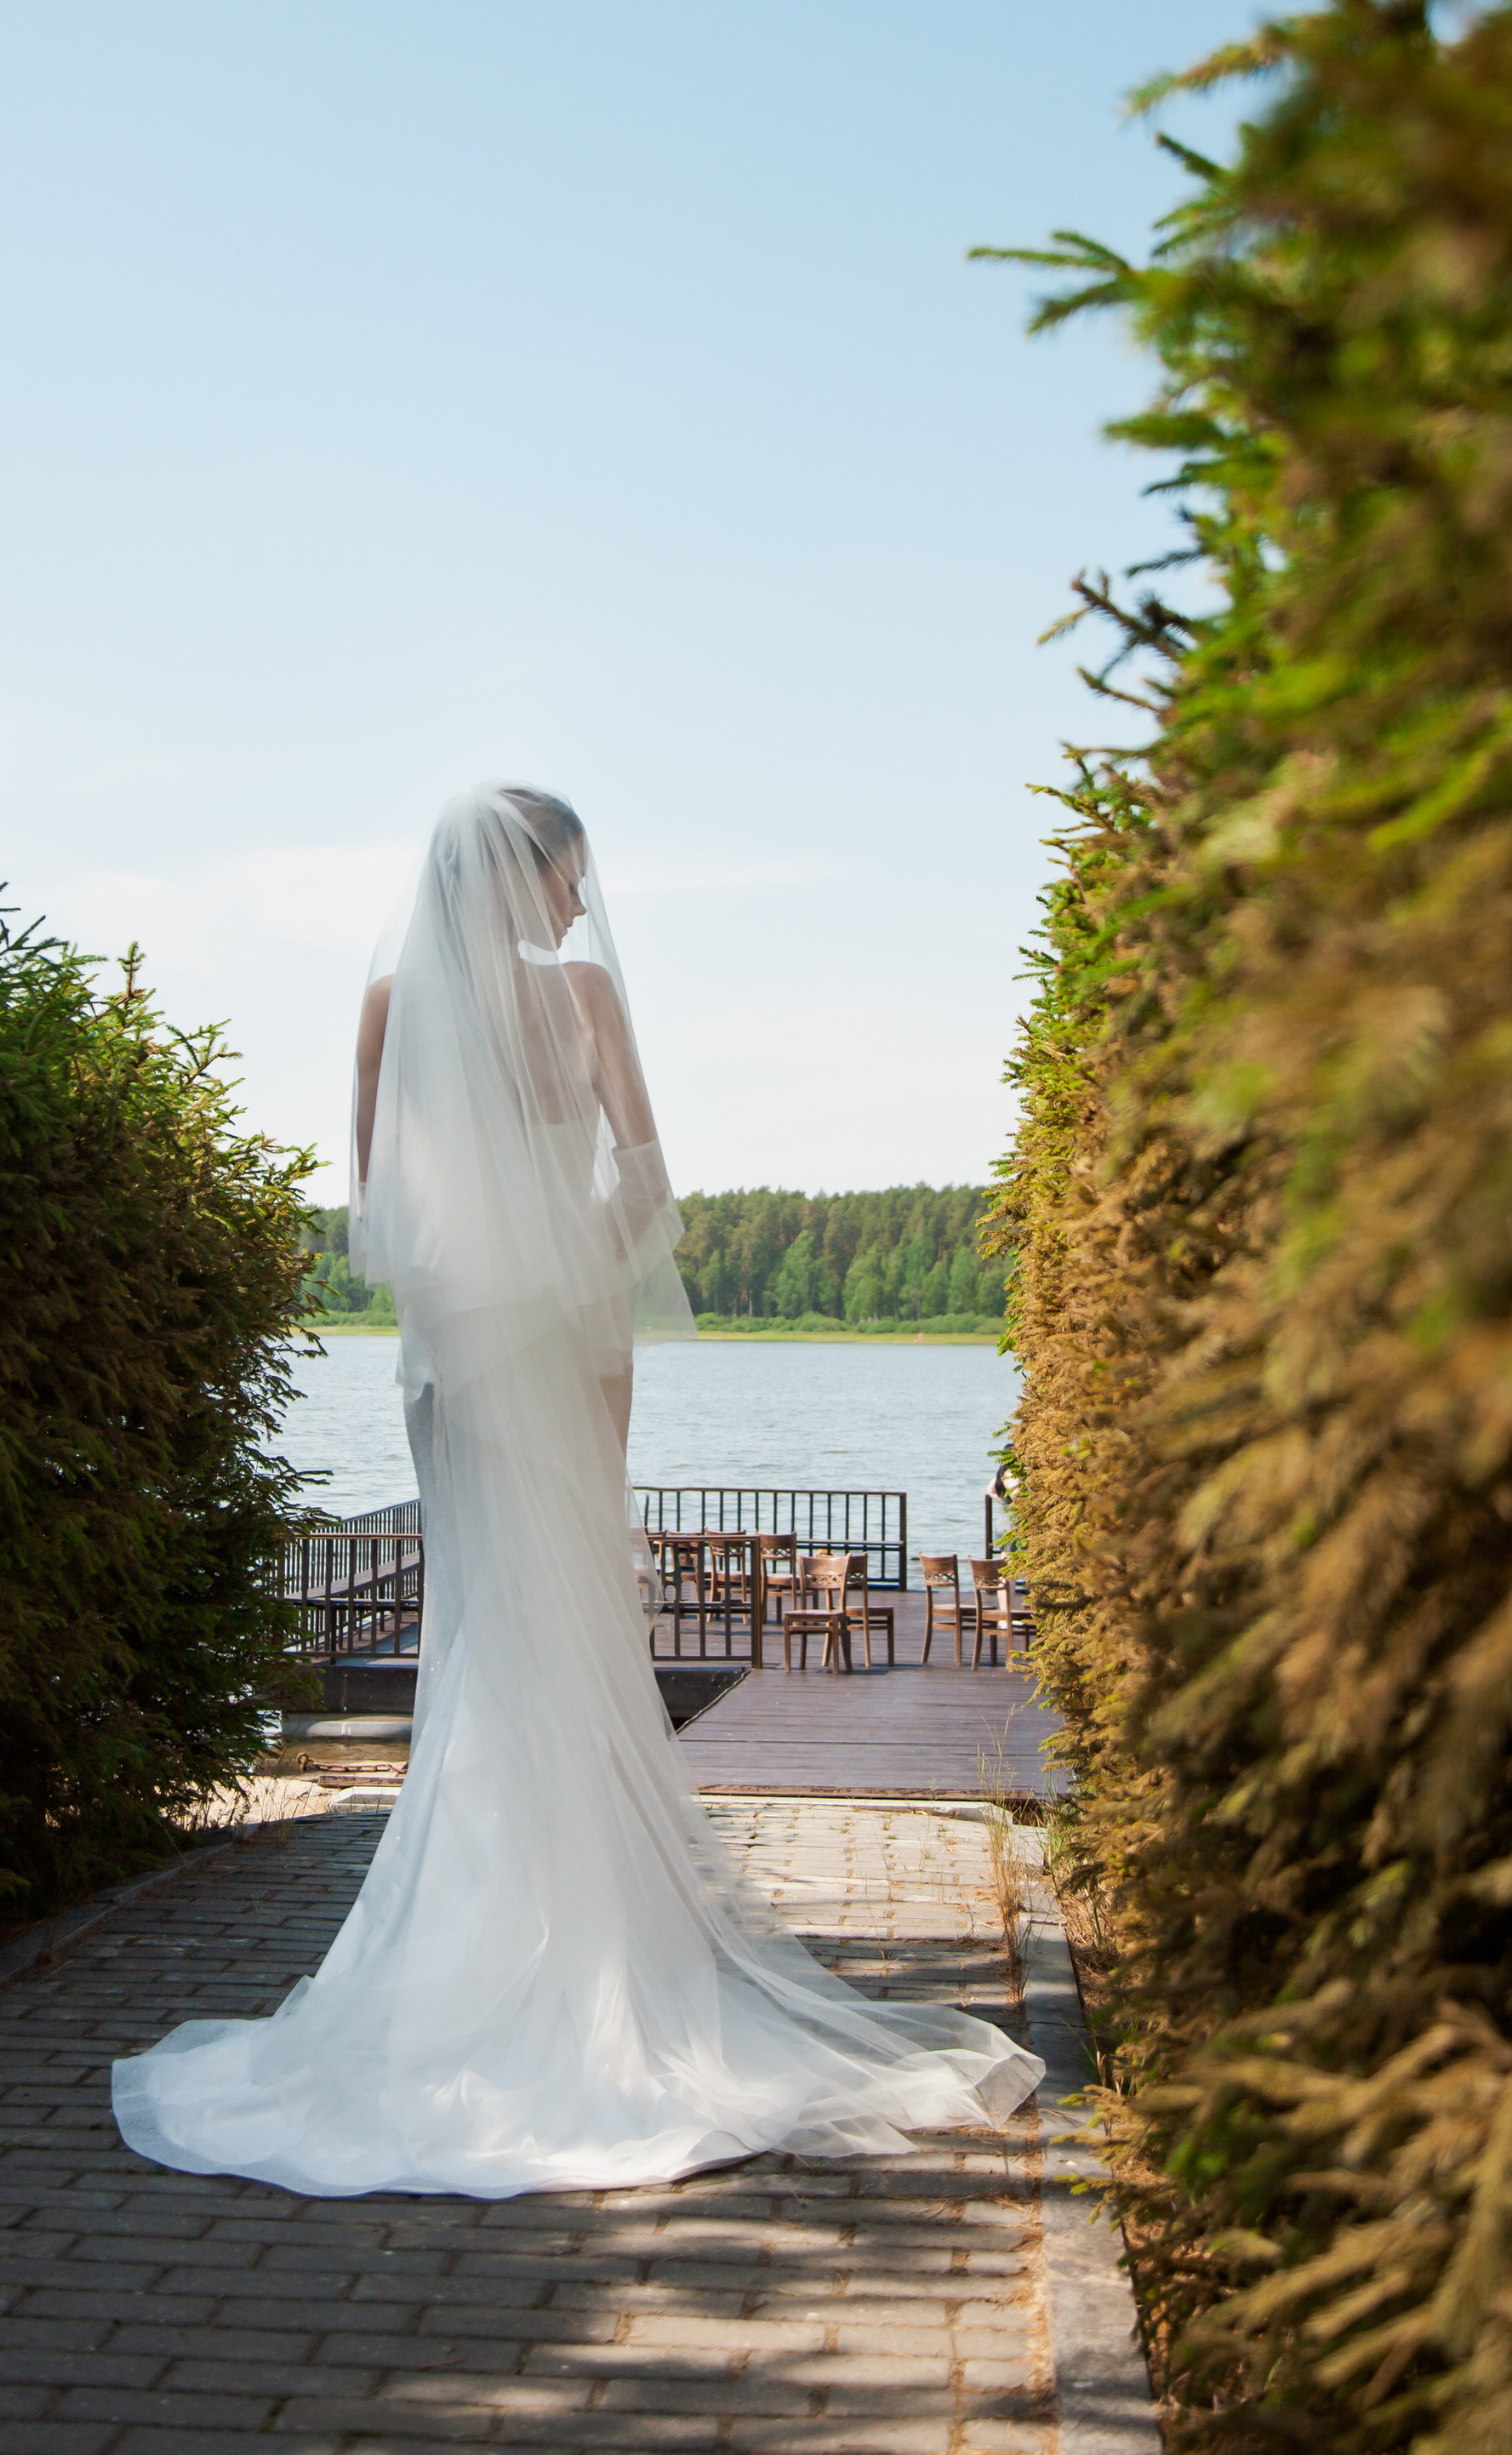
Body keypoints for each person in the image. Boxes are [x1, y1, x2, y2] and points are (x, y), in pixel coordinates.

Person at [111, 784, 1039, 2196]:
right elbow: (648, 1184)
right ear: (518, 876)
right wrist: (568, 1283)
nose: (579, 904)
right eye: (567, 878)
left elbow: (378, 1216)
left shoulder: (387, 1008)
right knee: (565, 1625)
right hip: (565, 1348)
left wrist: (495, 1293)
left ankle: (488, 1948)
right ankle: (594, 1952)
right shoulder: (585, 995)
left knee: (494, 1632)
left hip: (460, 1360)